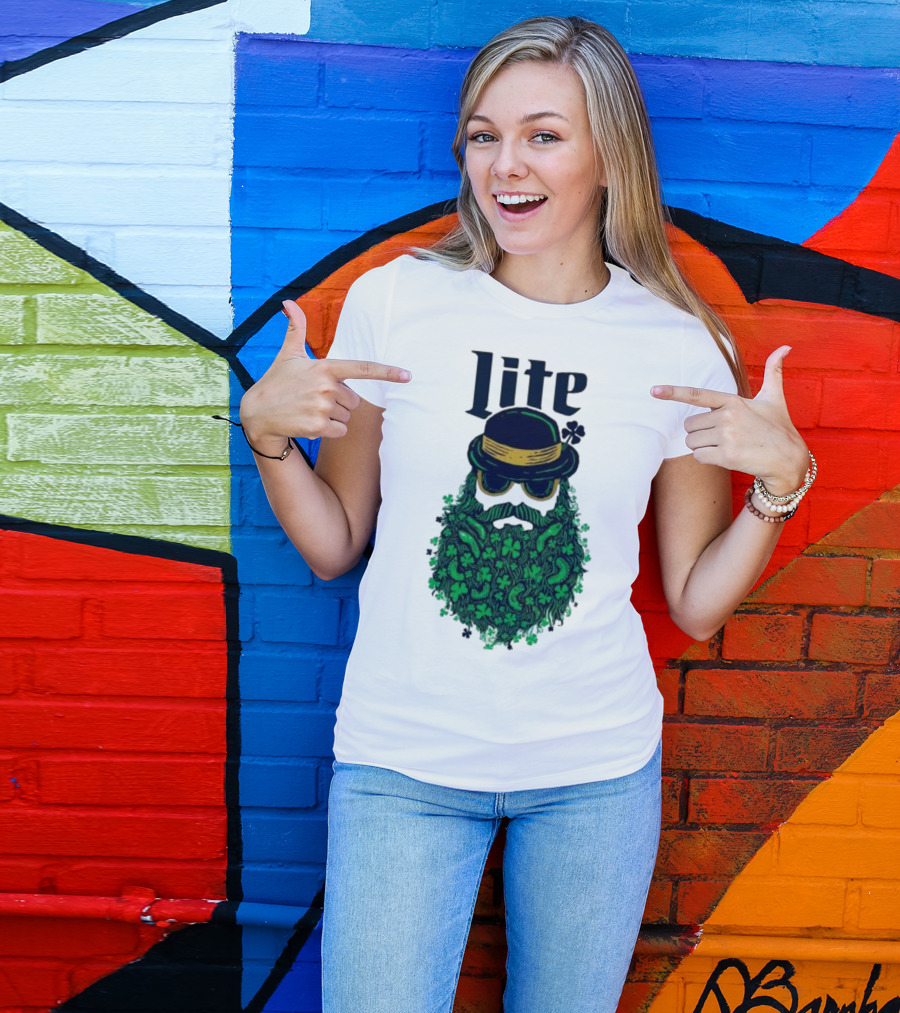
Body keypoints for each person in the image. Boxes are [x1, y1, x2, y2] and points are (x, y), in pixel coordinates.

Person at [238, 15, 813, 1013]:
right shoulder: (397, 301)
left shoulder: (676, 344)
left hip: (594, 770)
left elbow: (698, 601)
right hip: (404, 761)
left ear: (608, 156)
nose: (506, 165)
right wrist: (270, 440)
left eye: (544, 134)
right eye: (482, 134)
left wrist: (779, 485)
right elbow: (335, 544)